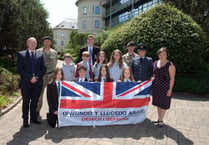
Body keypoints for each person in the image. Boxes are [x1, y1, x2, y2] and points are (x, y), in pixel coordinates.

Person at [17, 37, 46, 128]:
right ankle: (25, 120)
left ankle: (33, 118)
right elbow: (20, 69)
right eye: (31, 42)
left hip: (37, 83)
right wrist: (30, 78)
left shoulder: (40, 54)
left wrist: (36, 77)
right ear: (27, 43)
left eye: (35, 42)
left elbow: (43, 68)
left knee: (34, 101)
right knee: (26, 102)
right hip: (26, 83)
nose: (33, 44)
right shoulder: (21, 54)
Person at [152, 47, 176, 127]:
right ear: (158, 55)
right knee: (158, 103)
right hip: (156, 86)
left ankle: (161, 120)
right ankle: (159, 118)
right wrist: (152, 78)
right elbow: (154, 74)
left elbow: (172, 78)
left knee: (163, 104)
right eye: (160, 54)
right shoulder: (155, 63)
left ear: (167, 55)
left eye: (164, 54)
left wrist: (170, 89)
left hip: (165, 87)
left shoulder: (170, 65)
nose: (162, 56)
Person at [36, 36, 57, 119]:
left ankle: (53, 112)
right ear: (43, 43)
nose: (47, 43)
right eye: (45, 41)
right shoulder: (38, 52)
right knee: (39, 94)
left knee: (53, 95)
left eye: (48, 41)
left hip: (52, 76)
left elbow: (56, 63)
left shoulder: (54, 52)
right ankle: (37, 111)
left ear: (50, 42)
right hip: (42, 76)